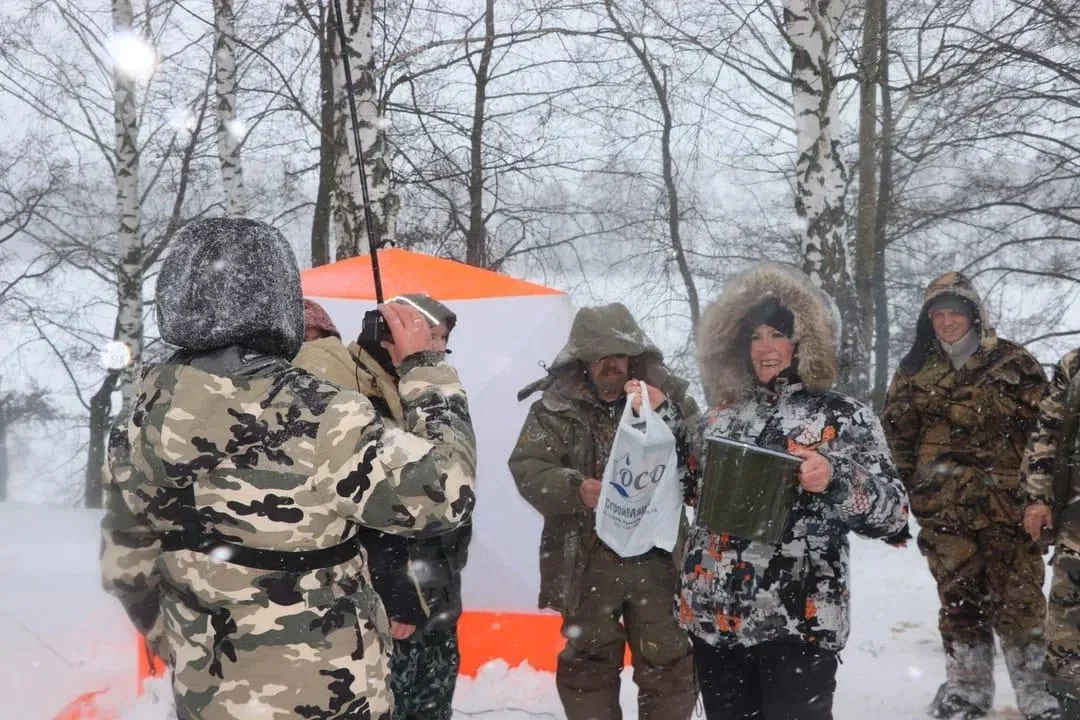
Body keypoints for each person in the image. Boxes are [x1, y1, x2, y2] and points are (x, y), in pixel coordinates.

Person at [99, 218, 476, 720]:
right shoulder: (322, 415)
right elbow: (446, 492)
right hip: (328, 695)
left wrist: (191, 646)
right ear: (277, 299)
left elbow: (126, 567)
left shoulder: (136, 421)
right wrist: (427, 368)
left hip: (209, 697)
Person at [679, 263, 910, 720]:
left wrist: (834, 479)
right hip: (715, 622)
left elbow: (894, 515)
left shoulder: (842, 416)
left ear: (802, 341)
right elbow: (689, 492)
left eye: (777, 335)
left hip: (797, 627)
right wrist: (656, 418)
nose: (765, 348)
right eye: (755, 336)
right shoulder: (719, 417)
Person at [508, 303, 699, 720]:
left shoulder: (670, 397)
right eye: (599, 357)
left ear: (634, 356)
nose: (610, 365)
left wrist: (665, 412)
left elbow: (702, 462)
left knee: (669, 664)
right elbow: (528, 467)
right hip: (585, 558)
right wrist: (576, 489)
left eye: (619, 355)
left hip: (658, 559)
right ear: (583, 360)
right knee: (587, 667)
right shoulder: (554, 407)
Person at [882, 270, 1058, 720]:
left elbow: (1047, 435)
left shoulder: (1014, 363)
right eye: (938, 314)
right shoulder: (913, 370)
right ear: (928, 319)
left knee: (1021, 604)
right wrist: (905, 499)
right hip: (944, 513)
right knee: (959, 605)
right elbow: (897, 440)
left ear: (974, 314)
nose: (947, 321)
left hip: (1008, 510)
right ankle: (967, 691)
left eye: (955, 312)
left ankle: (1038, 694)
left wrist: (1045, 496)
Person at [351, 293, 471, 720]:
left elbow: (456, 491)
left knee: (433, 706)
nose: (436, 346)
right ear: (390, 335)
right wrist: (398, 598)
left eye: (442, 338)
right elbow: (375, 515)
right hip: (396, 608)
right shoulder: (358, 399)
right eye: (428, 334)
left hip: (438, 599)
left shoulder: (425, 390)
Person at [292, 298, 428, 648]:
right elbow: (378, 509)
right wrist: (400, 596)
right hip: (348, 589)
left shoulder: (252, 397)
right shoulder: (349, 388)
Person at [1022, 347, 1080, 719]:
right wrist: (1038, 498)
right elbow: (1047, 430)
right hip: (1076, 516)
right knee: (1068, 613)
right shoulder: (1074, 365)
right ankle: (1070, 703)